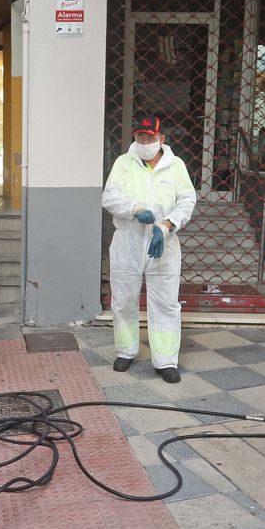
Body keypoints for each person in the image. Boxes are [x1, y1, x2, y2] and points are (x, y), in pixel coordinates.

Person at [101, 115, 197, 383]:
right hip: (128, 241)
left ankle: (166, 360)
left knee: (165, 303)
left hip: (163, 242)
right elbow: (109, 197)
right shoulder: (124, 163)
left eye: (150, 137)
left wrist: (167, 225)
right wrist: (135, 210)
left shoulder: (175, 166)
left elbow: (187, 199)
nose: (145, 142)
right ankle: (126, 350)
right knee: (123, 300)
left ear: (161, 139)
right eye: (140, 137)